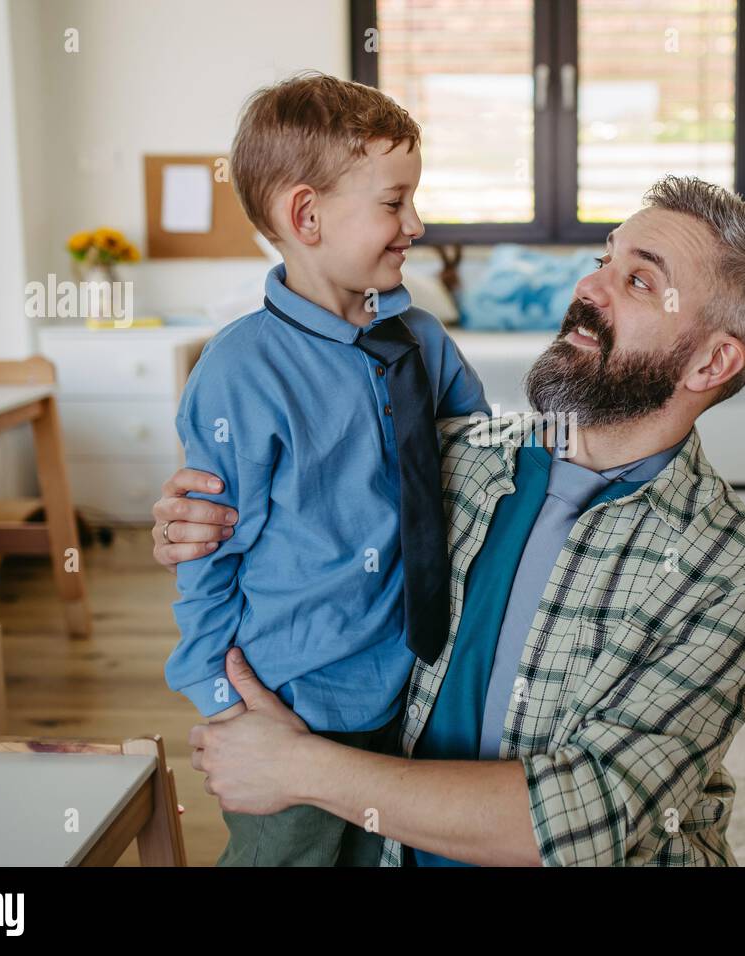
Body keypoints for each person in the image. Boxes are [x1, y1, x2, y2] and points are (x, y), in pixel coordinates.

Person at [156, 174, 745, 866]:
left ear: (712, 360)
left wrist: (298, 768)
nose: (589, 290)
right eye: (602, 262)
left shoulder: (736, 571)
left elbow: (590, 816)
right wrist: (203, 522)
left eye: (640, 282)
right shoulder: (445, 455)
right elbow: (292, 528)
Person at [164, 71, 486, 866]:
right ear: (306, 215)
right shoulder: (241, 372)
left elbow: (484, 456)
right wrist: (226, 702)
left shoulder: (424, 341)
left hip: (412, 678)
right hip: (292, 699)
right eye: (392, 202)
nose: (416, 222)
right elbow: (208, 550)